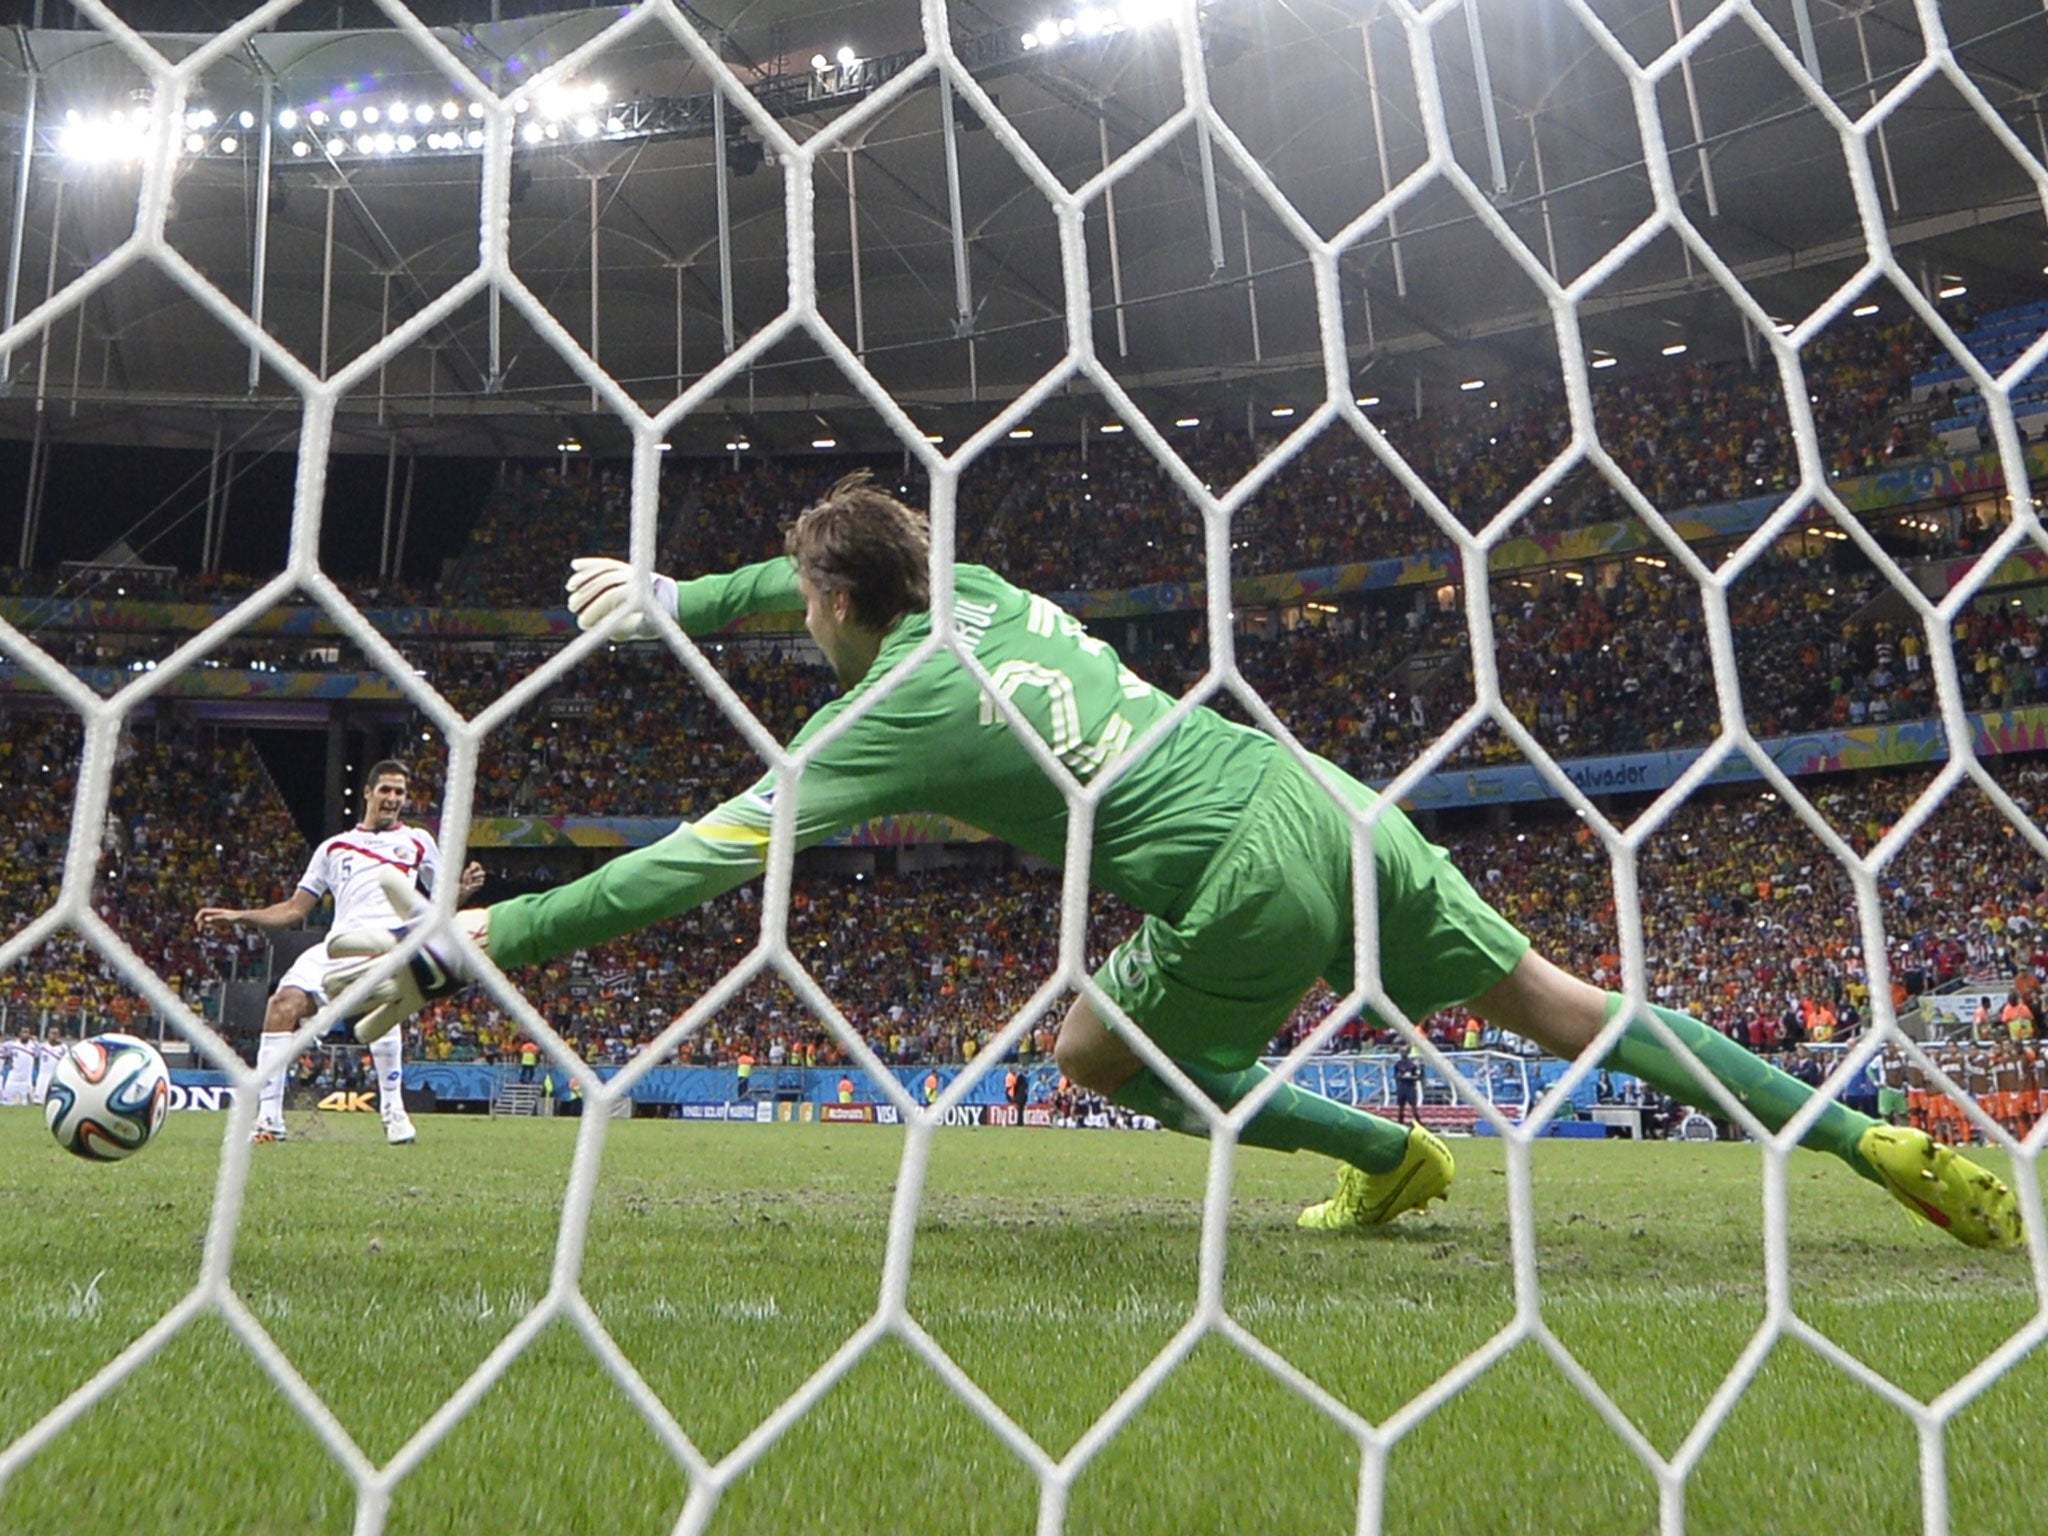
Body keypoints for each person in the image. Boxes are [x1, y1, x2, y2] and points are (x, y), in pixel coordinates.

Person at [327, 473, 2021, 1250]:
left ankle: (1382, 1149)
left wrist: (482, 941)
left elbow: (692, 868)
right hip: (1317, 792)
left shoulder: (878, 721)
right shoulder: (967, 591)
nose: (799, 618)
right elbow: (825, 571)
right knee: (1564, 1002)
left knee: (1087, 1048)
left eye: (799, 603)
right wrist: (682, 602)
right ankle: (1889, 1149)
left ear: (843, 614)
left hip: (1227, 866)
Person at [196, 759, 483, 1145]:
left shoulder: (417, 842)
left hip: (389, 943)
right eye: (386, 790)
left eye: (400, 792)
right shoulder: (334, 848)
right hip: (340, 944)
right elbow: (295, 910)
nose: (393, 798)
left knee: (385, 1000)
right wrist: (239, 916)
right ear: (368, 792)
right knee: (282, 1004)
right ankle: (268, 1121)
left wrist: (462, 891)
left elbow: (438, 908)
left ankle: (394, 1113)